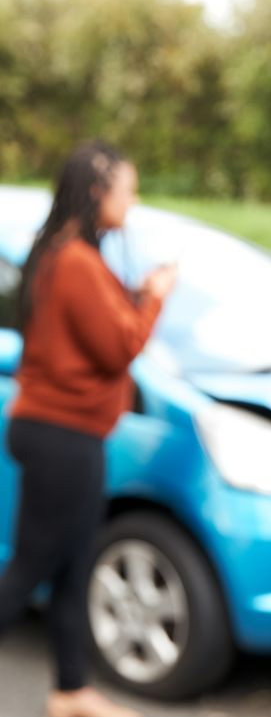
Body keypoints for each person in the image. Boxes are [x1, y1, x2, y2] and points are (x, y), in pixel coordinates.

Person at [0, 143, 176, 717]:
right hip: (62, 436)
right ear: (98, 190)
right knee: (30, 568)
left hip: (65, 433)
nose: (134, 200)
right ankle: (70, 689)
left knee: (75, 564)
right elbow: (119, 345)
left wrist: (132, 294)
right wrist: (154, 298)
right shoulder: (73, 260)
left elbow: (90, 325)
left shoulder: (65, 255)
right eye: (128, 188)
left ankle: (70, 691)